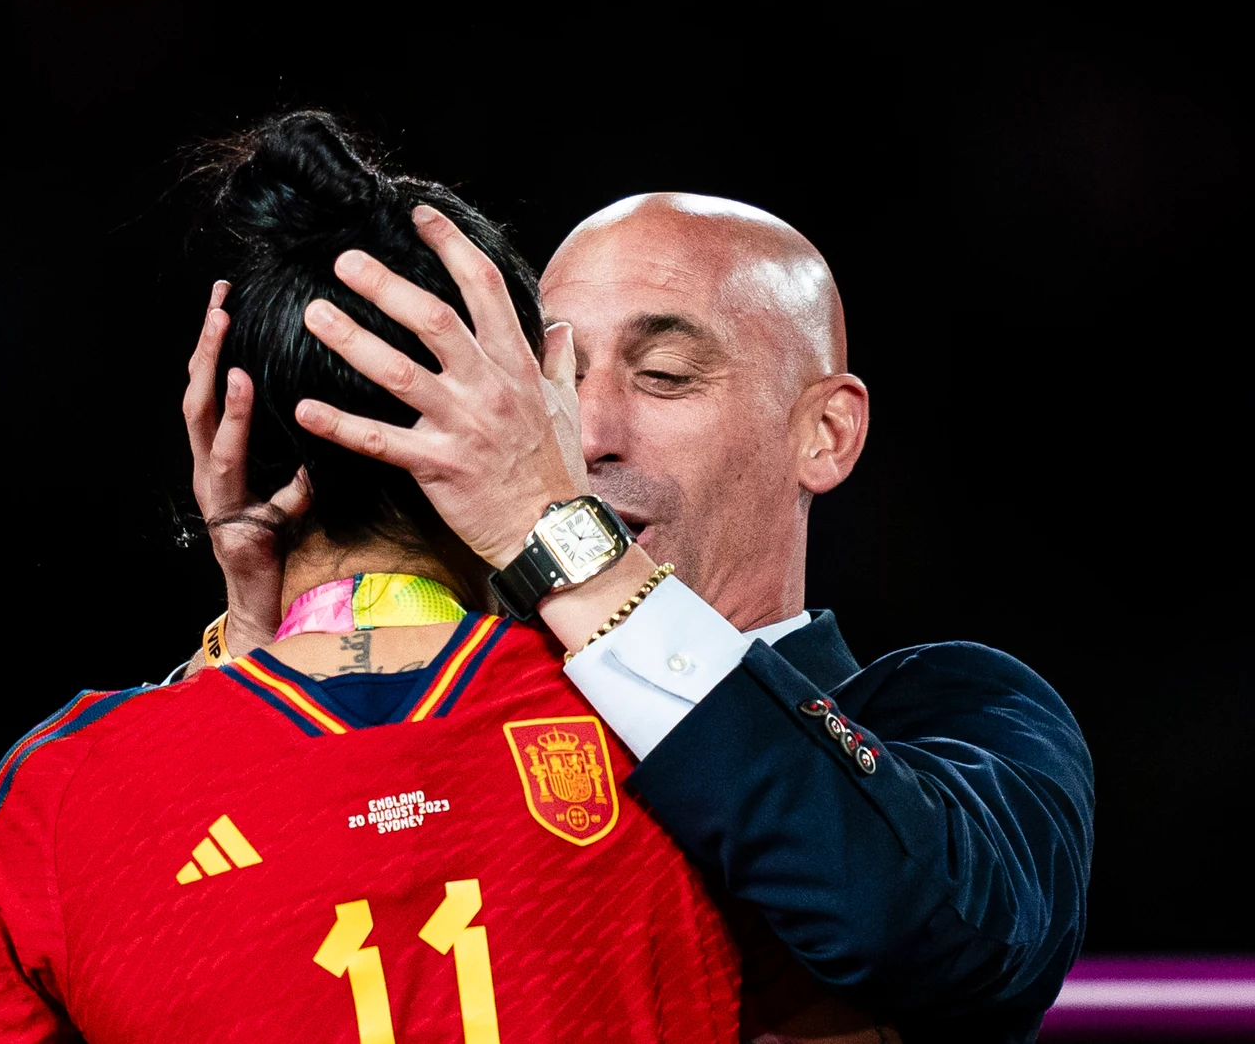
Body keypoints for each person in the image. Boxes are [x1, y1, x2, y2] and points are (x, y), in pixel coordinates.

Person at [0, 113, 765, 1043]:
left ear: (237, 439)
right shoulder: (692, 741)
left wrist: (239, 646)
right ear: (532, 413)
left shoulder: (64, 792)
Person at [186, 190, 1095, 1041]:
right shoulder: (439, 717)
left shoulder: (964, 711)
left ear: (826, 433)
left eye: (664, 376)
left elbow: (921, 929)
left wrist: (557, 533)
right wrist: (263, 639)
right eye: (556, 379)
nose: (583, 436)